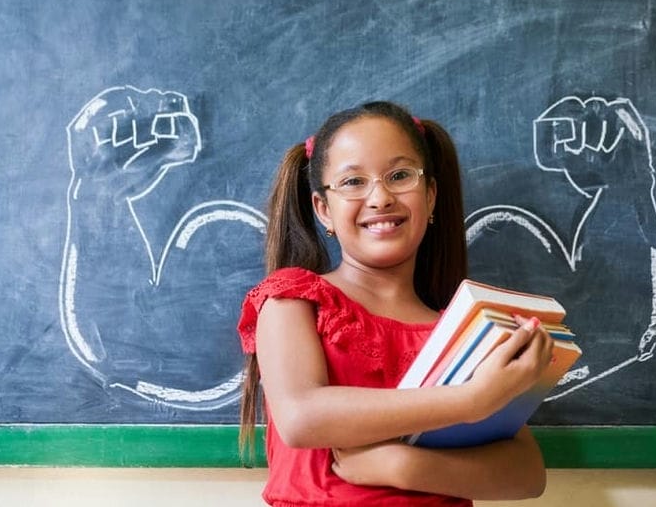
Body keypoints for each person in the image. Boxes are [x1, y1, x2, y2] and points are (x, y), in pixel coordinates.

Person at [237, 101, 554, 505]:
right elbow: (302, 417)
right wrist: (469, 401)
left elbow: (527, 474)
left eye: (400, 175)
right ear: (323, 209)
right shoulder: (293, 299)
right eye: (353, 182)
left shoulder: (463, 330)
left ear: (432, 196)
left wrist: (403, 467)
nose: (380, 197)